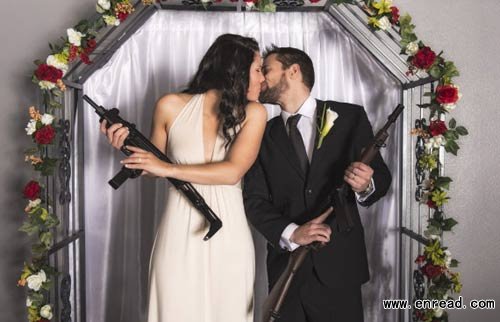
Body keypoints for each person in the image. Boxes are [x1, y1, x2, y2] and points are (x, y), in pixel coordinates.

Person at [100, 34, 267, 322]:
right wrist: (124, 145)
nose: (263, 79)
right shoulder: (169, 105)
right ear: (235, 71)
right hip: (178, 227)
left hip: (229, 231)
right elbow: (149, 167)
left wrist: (169, 169)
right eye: (257, 70)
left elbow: (232, 172)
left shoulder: (255, 112)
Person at [243, 46, 392, 322]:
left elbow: (381, 177)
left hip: (340, 267)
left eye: (267, 70)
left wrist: (366, 184)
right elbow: (253, 200)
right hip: (287, 271)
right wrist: (293, 233)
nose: (261, 78)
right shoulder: (259, 134)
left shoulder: (350, 117)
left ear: (294, 71)